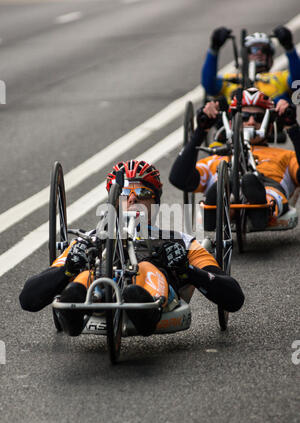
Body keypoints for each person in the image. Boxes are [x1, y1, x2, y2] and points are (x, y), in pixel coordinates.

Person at [19, 160, 244, 337]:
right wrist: (67, 269)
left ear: (154, 202)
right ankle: (72, 310)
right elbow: (28, 298)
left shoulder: (182, 242)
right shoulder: (89, 239)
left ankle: (143, 307)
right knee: (86, 274)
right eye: (126, 194)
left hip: (156, 291)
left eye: (144, 194)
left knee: (146, 267)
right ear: (114, 201)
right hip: (100, 293)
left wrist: (188, 271)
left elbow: (234, 297)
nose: (134, 199)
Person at [169, 88, 300, 231]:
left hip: (267, 187)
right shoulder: (216, 159)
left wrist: (293, 128)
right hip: (226, 184)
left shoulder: (286, 156)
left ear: (269, 125)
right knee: (224, 181)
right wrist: (201, 130)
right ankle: (217, 206)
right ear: (232, 123)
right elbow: (179, 178)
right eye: (244, 116)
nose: (250, 122)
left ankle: (260, 209)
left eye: (258, 118)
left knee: (263, 189)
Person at [201, 26, 300, 105]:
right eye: (254, 50)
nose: (259, 53)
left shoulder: (280, 77)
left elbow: (297, 82)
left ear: (271, 57)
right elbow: (209, 85)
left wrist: (289, 48)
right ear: (244, 56)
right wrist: (214, 49)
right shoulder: (230, 79)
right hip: (236, 126)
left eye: (264, 50)